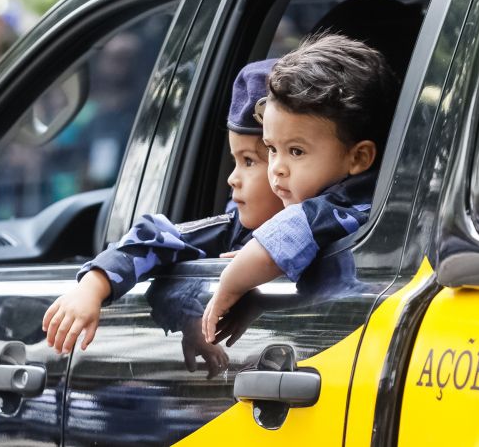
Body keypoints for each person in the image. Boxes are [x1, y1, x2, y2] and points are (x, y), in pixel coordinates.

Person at [42, 58, 284, 356]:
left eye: (249, 161)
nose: (232, 178)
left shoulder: (338, 223)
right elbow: (158, 239)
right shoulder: (233, 229)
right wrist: (93, 286)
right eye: (235, 160)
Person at [202, 33, 400, 342]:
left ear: (359, 157)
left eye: (296, 151)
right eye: (271, 149)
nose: (277, 167)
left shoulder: (352, 202)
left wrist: (233, 280)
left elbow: (296, 228)